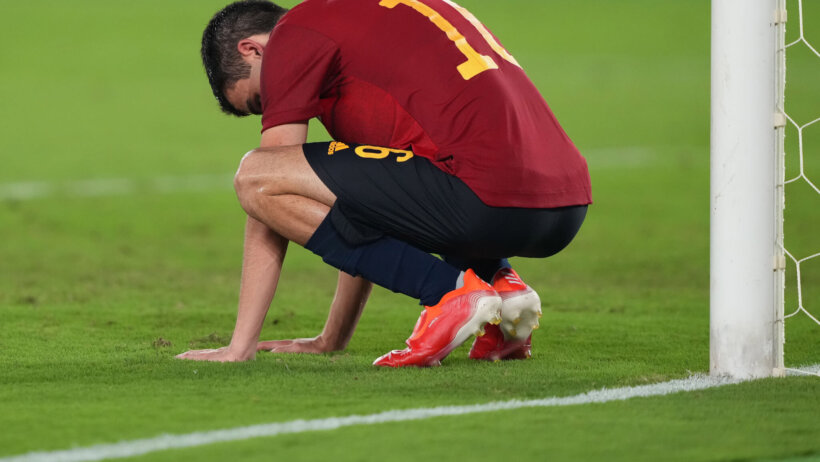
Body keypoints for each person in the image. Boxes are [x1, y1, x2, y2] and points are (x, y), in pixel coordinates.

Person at [176, 0, 591, 367]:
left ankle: (449, 291)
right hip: (562, 207)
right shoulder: (364, 28)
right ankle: (503, 285)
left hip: (483, 200)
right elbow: (368, 203)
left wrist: (240, 346)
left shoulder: (294, 34)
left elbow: (266, 182)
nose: (273, 110)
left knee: (254, 175)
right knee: (412, 168)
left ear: (252, 48)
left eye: (259, 101)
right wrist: (332, 340)